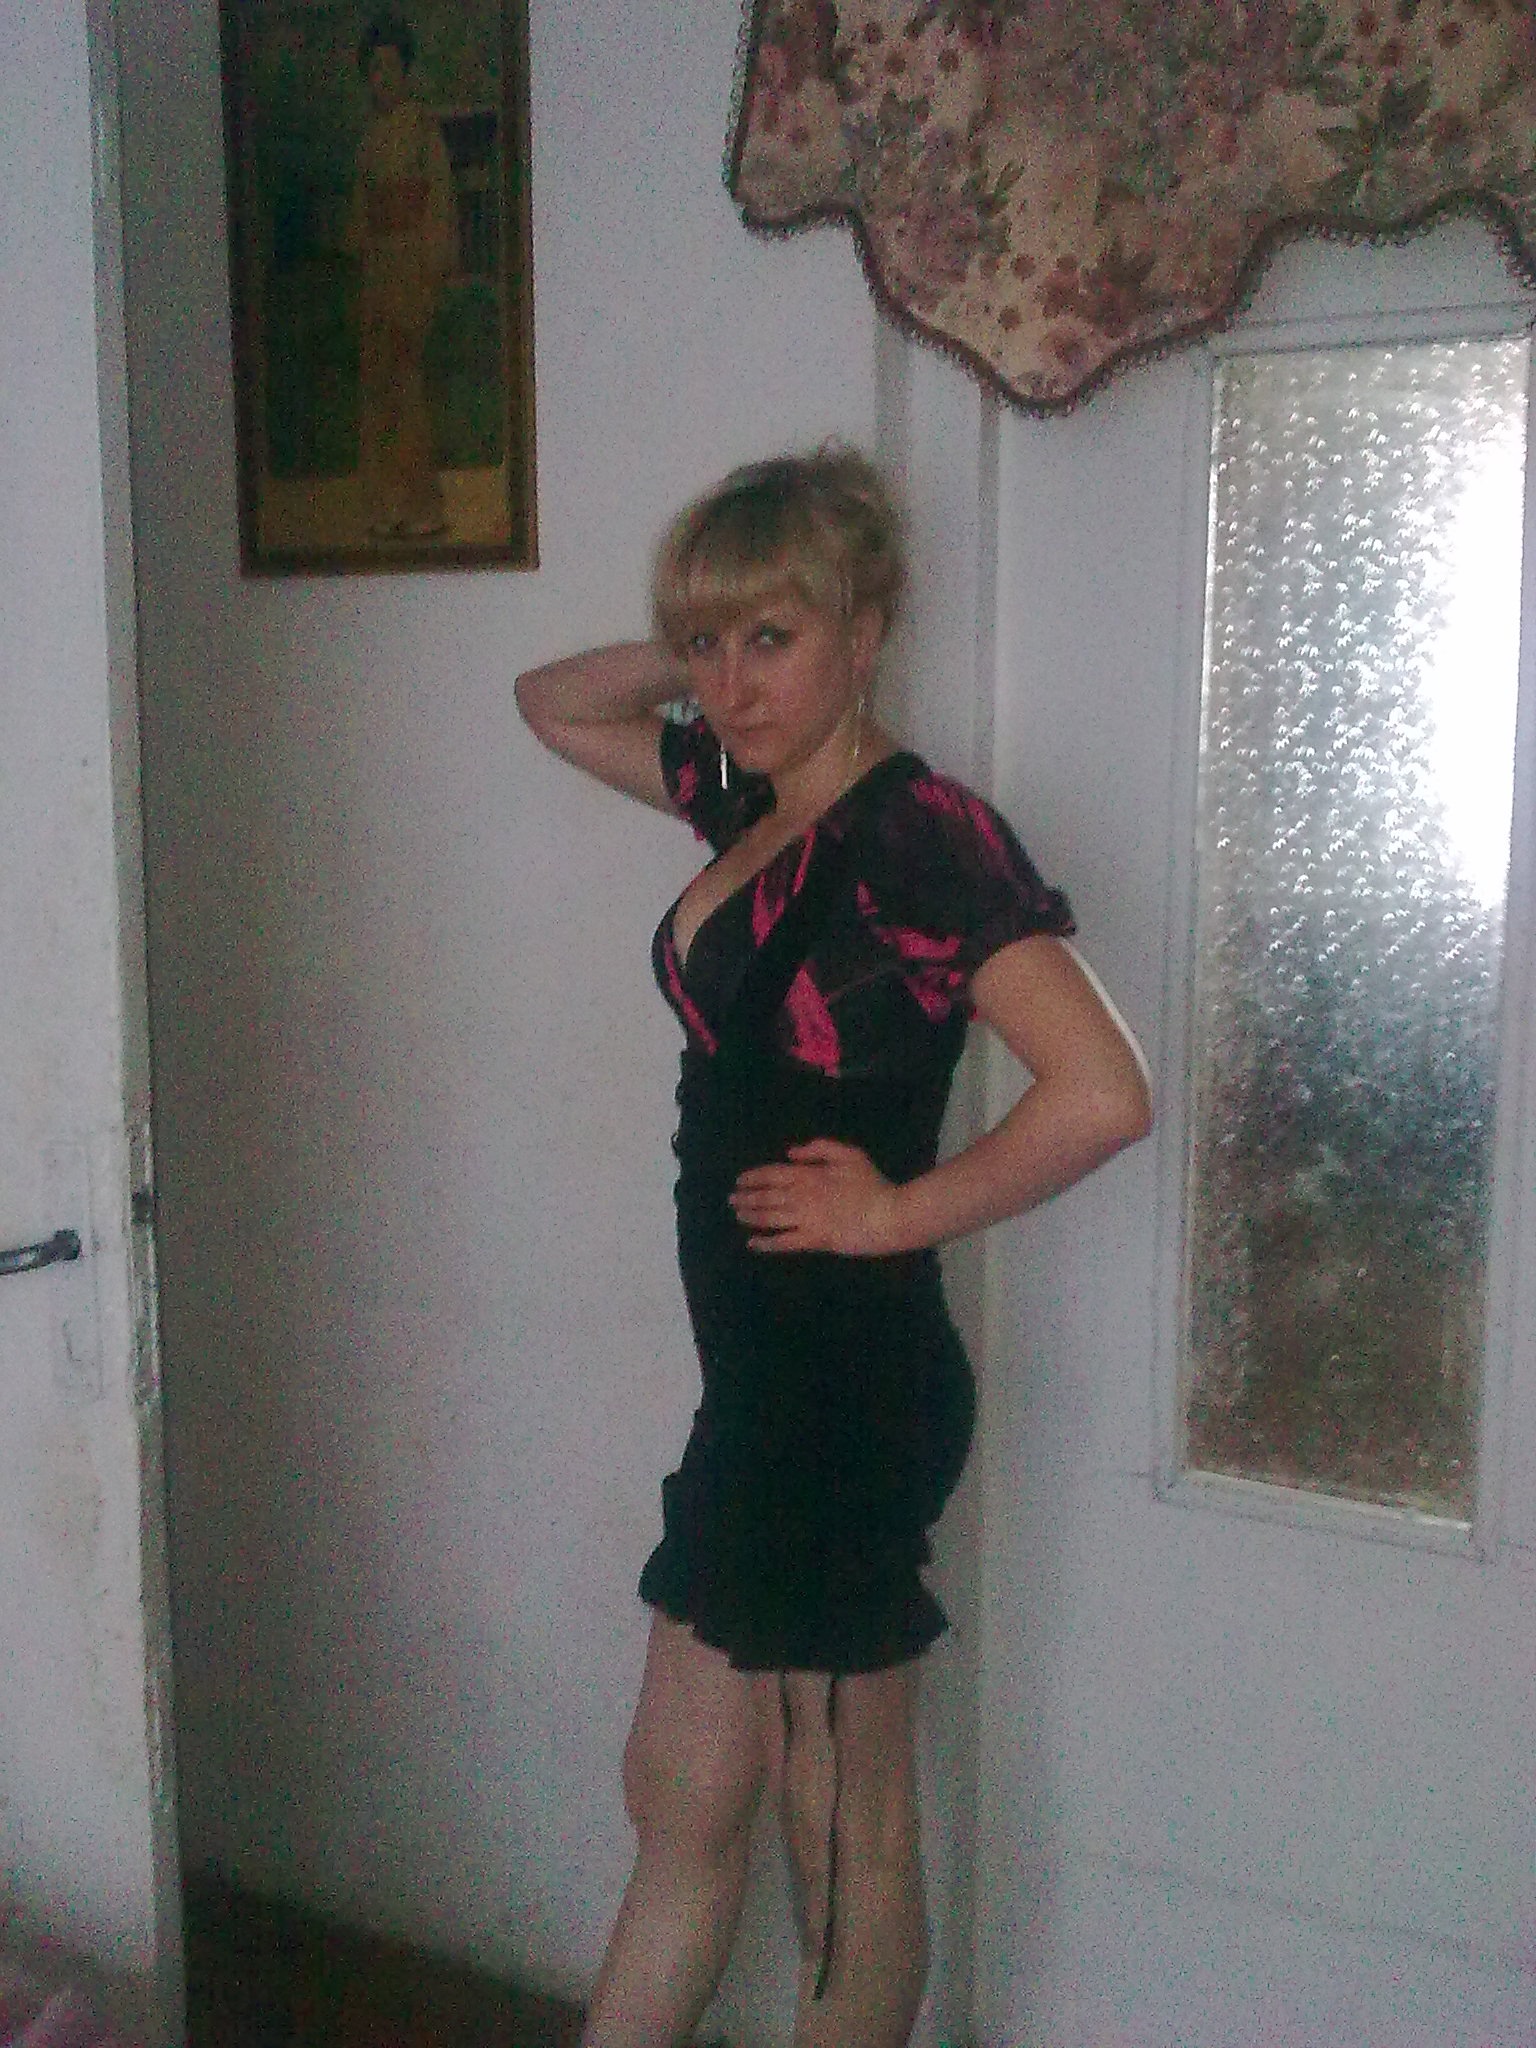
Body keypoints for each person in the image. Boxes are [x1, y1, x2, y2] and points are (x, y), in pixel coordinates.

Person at [515, 447, 1152, 2048]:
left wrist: (894, 1212)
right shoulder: (748, 797)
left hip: (847, 1389)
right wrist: (708, 635)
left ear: (867, 631)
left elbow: (1103, 1092)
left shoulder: (923, 834)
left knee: (840, 1837)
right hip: (762, 1387)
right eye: (709, 644)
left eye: (773, 638)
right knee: (680, 1790)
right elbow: (552, 704)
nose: (731, 683)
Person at [346, 14, 456, 540]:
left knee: (408, 385)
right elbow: (359, 211)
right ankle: (381, 508)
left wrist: (431, 268)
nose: (383, 79)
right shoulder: (368, 138)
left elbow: (439, 202)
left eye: (391, 68)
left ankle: (420, 506)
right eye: (374, 70)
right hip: (378, 269)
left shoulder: (422, 130)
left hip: (412, 265)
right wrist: (363, 253)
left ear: (405, 72)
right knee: (377, 388)